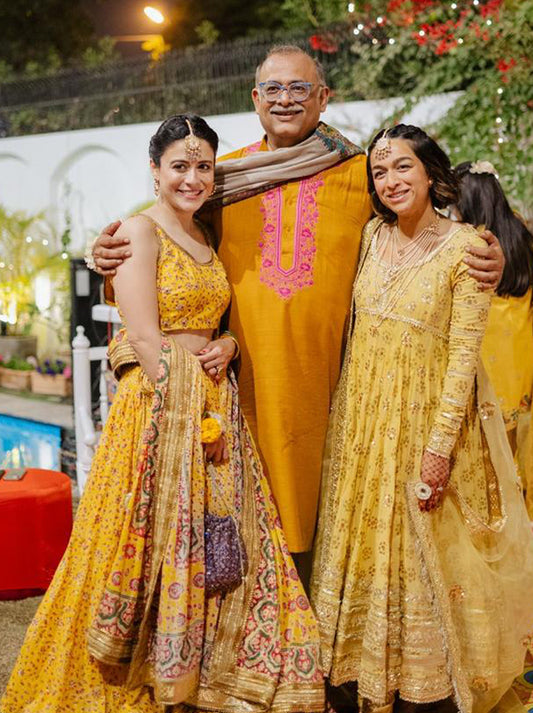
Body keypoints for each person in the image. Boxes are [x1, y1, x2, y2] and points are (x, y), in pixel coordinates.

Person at [0, 115, 345, 713]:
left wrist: (230, 349)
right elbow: (148, 340)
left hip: (214, 416)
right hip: (160, 419)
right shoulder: (137, 232)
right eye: (180, 166)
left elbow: (210, 327)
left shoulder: (205, 233)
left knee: (222, 563)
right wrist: (196, 393)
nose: (193, 179)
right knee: (149, 555)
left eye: (203, 167)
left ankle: (208, 701)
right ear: (153, 170)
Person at [89, 46, 504, 576]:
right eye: (274, 90)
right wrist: (107, 257)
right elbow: (171, 250)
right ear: (256, 99)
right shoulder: (223, 177)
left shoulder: (359, 171)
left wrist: (487, 251)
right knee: (229, 520)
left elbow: (425, 226)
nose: (286, 100)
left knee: (326, 516)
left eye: (300, 89)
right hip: (237, 381)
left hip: (335, 386)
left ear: (324, 97)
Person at [310, 124, 533, 713]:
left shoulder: (467, 248)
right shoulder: (370, 239)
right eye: (380, 172)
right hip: (360, 427)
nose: (390, 181)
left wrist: (438, 449)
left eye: (402, 167)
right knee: (362, 556)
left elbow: (465, 357)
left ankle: (398, 703)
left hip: (427, 428)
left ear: (432, 175)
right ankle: (358, 697)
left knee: (413, 563)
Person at [454, 160, 533, 453]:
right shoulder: (519, 228)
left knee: (493, 449)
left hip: (491, 352)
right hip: (523, 346)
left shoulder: (475, 242)